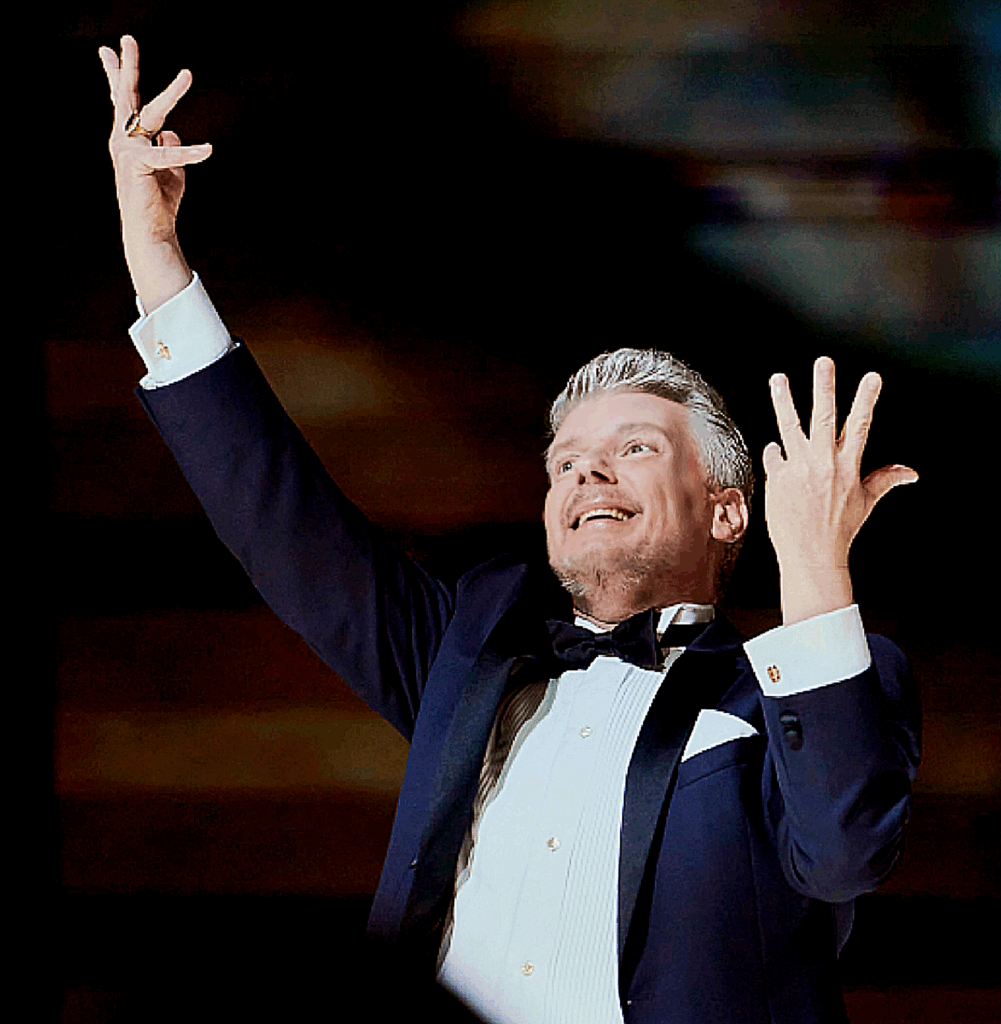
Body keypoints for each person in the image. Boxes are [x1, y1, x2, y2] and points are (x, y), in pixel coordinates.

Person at [99, 36, 922, 1024]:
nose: (586, 473)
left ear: (726, 508)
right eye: (567, 461)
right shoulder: (471, 652)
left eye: (633, 448)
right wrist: (157, 264)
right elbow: (285, 525)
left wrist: (818, 570)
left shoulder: (797, 696)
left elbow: (842, 854)